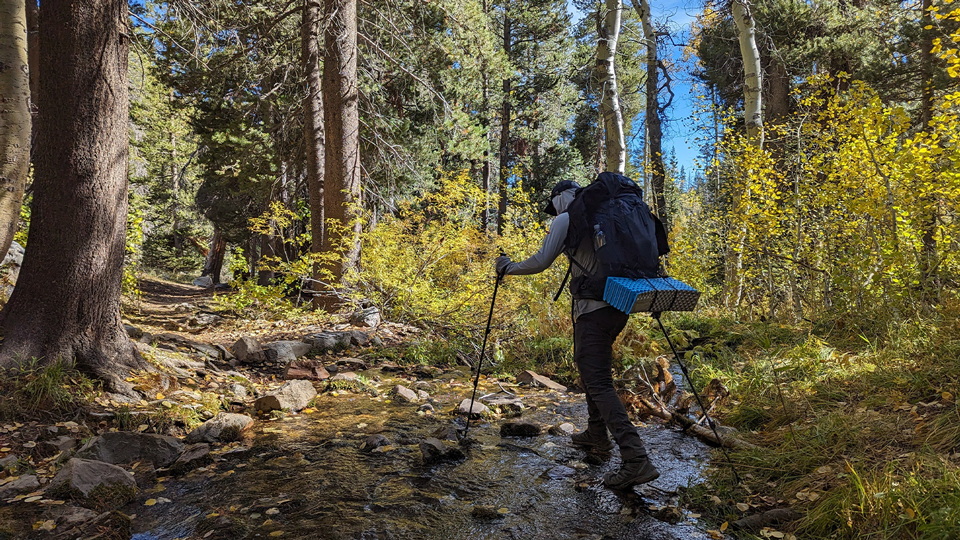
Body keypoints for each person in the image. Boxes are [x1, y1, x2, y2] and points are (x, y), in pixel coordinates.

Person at [495, 180, 660, 490]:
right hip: (620, 303)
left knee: (596, 379)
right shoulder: (609, 215)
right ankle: (596, 435)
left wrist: (508, 267)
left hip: (592, 309)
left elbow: (540, 261)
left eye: (553, 205)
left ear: (560, 198)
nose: (553, 211)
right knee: (593, 370)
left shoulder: (568, 216)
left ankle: (636, 458)